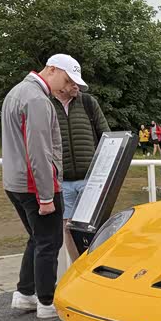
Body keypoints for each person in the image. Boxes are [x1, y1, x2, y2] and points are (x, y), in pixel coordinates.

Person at [2, 53, 87, 318]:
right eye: (67, 79)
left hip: (16, 182)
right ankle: (46, 302)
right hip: (35, 185)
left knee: (37, 239)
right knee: (49, 243)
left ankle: (25, 293)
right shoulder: (37, 99)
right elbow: (39, 151)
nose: (68, 86)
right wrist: (47, 196)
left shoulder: (17, 92)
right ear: (52, 69)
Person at [51, 80, 110, 263]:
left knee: (95, 228)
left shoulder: (88, 102)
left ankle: (98, 267)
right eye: (72, 82)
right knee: (68, 229)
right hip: (62, 181)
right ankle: (78, 268)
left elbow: (106, 135)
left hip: (90, 179)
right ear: (60, 81)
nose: (77, 86)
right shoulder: (46, 105)